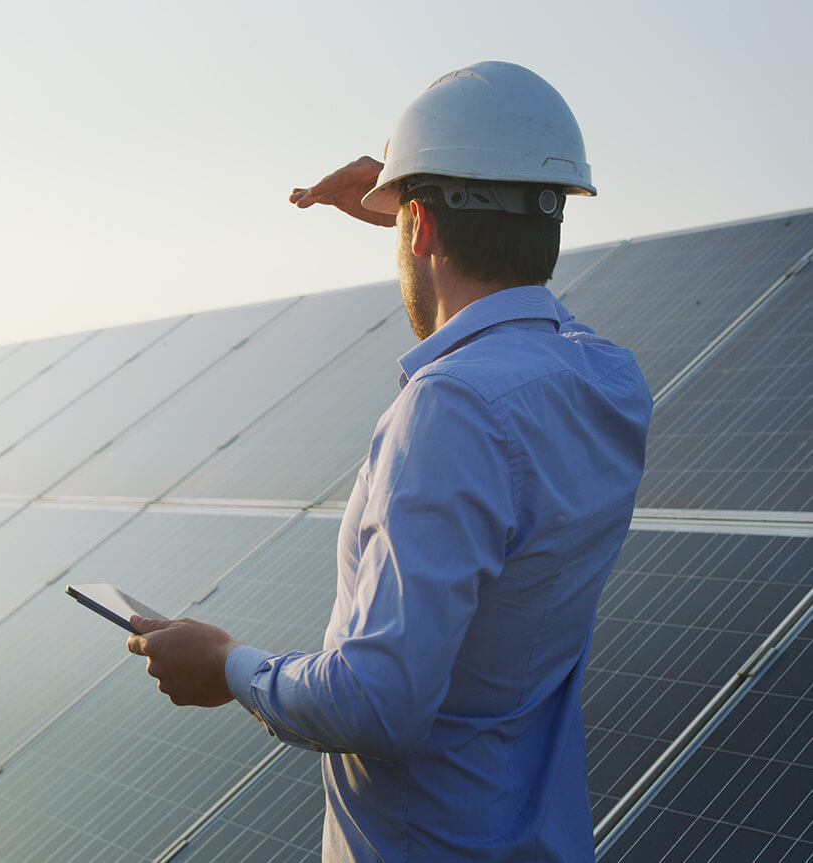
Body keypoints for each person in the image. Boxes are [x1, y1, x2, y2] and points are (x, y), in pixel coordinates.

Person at [127, 61, 651, 862]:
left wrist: (227, 665)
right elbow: (524, 299)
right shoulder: (609, 382)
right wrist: (421, 203)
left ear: (418, 228)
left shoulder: (451, 408)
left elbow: (377, 702)